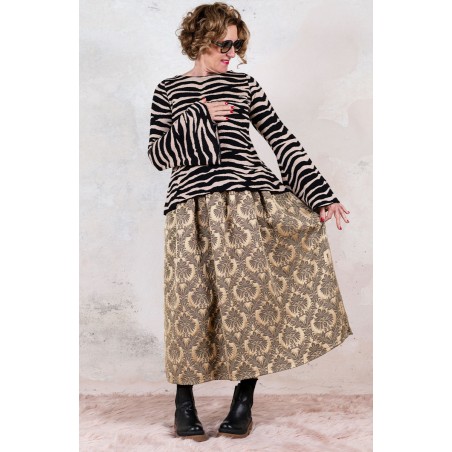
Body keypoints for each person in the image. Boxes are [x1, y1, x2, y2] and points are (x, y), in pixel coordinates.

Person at [147, 2, 353, 442]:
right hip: (190, 207)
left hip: (247, 202)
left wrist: (320, 194)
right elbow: (158, 155)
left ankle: (243, 402)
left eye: (237, 45)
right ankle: (184, 403)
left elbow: (280, 138)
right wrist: (200, 115)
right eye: (224, 44)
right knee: (188, 304)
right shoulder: (168, 90)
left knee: (249, 301)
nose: (232, 53)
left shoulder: (244, 85)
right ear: (199, 41)